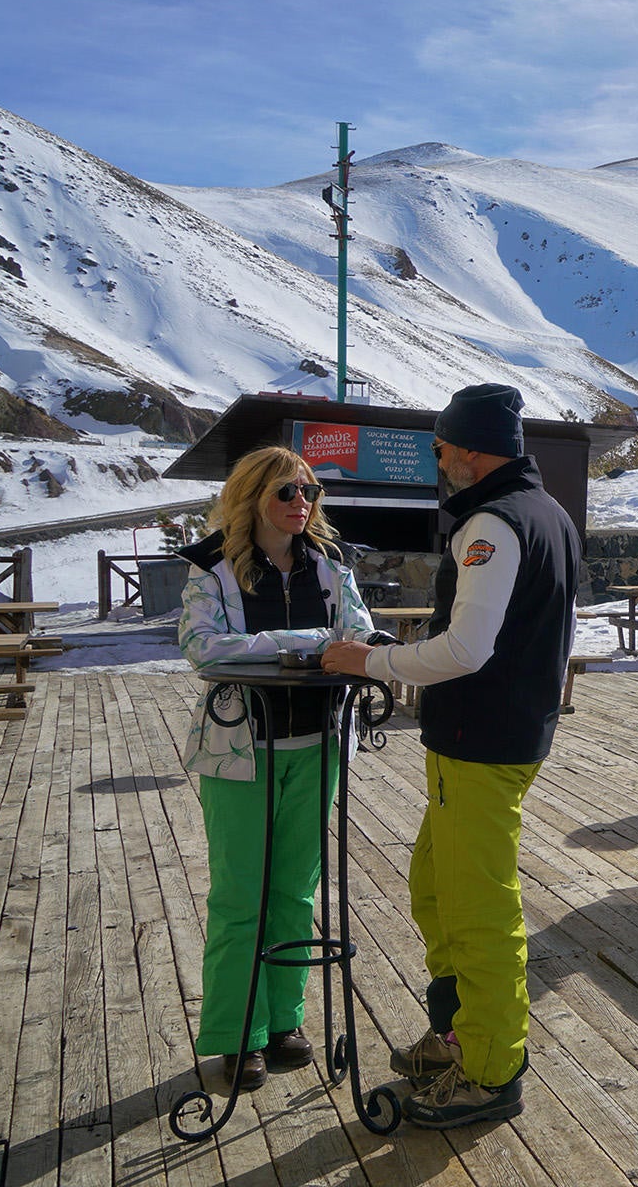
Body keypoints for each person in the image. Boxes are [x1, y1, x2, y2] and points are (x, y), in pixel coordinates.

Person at [323, 383, 582, 1129]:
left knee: (477, 910)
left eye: (440, 448)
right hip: (494, 736)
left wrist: (369, 662)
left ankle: (491, 1070)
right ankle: (459, 1031)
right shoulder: (546, 513)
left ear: (470, 447)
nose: (438, 462)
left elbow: (466, 649)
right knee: (436, 887)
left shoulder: (493, 523)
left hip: (481, 740)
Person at [177, 445, 381, 1093]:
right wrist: (300, 643)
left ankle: (284, 1021)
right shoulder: (213, 569)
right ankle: (238, 1033)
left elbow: (358, 633)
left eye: (309, 492)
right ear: (252, 496)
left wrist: (346, 646)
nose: (301, 504)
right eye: (287, 492)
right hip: (240, 754)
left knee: (295, 891)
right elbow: (201, 648)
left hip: (317, 746)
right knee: (241, 896)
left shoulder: (330, 566)